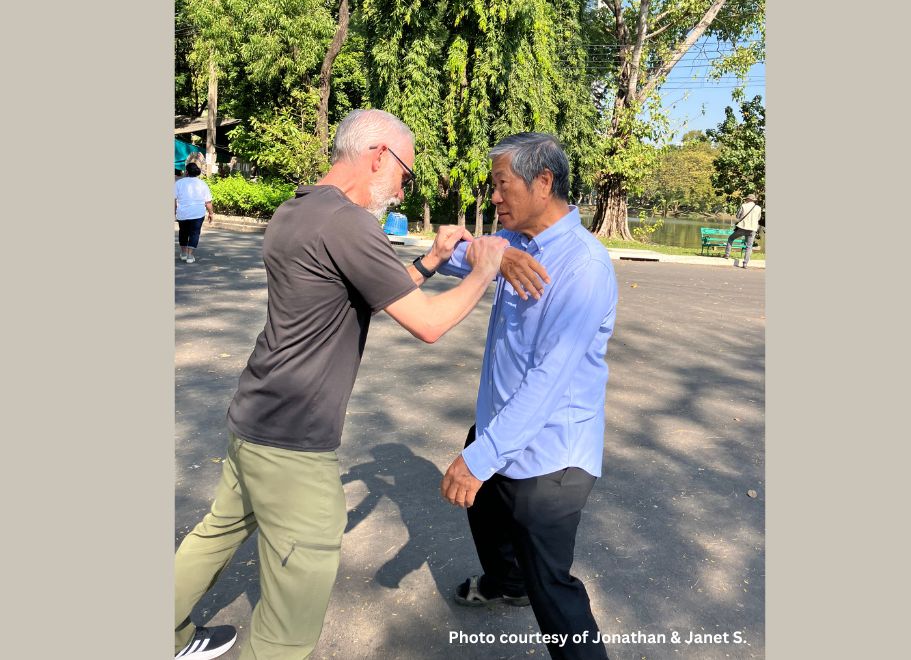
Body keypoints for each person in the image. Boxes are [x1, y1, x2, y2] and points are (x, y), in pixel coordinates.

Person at [173, 109, 540, 660]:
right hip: (294, 443)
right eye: (405, 176)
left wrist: (433, 260)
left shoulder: (297, 210)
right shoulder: (349, 223)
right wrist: (485, 268)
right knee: (292, 607)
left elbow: (367, 293)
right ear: (377, 156)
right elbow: (429, 324)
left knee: (216, 534)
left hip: (252, 420)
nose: (399, 190)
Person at [436, 132, 618, 660]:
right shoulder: (516, 243)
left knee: (554, 591)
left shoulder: (583, 267)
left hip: (550, 459)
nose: (494, 197)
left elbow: (548, 383)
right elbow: (453, 253)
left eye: (501, 185)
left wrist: (478, 461)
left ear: (543, 182)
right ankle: (505, 582)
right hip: (498, 430)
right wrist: (488, 253)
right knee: (487, 518)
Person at [175, 162, 214, 263]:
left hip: (182, 213)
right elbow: (208, 202)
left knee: (183, 232)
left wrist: (173, 212)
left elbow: (173, 199)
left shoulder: (179, 183)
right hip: (197, 213)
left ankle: (183, 253)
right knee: (194, 233)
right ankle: (189, 256)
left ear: (186, 172)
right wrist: (211, 213)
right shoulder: (202, 184)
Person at [723, 193, 762, 268]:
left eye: (747, 199)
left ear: (749, 199)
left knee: (731, 238)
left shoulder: (743, 206)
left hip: (742, 227)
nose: (746, 200)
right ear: (753, 200)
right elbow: (758, 218)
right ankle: (745, 263)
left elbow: (738, 216)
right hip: (752, 229)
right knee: (749, 246)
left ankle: (727, 255)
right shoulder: (758, 208)